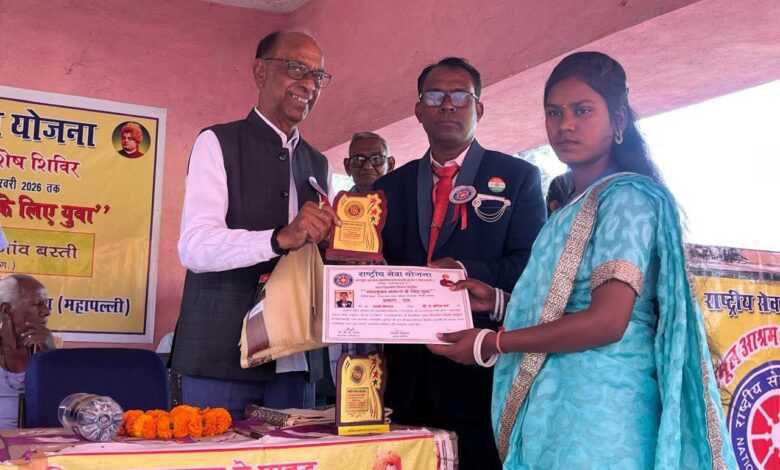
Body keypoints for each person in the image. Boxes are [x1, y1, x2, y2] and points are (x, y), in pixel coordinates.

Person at [429, 52, 737, 468]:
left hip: (603, 416)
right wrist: (500, 302)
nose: (565, 124)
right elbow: (567, 301)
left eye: (583, 110)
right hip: (558, 412)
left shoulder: (627, 198)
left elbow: (607, 321)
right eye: (554, 112)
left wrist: (493, 342)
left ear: (619, 119)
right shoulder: (572, 206)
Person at [373, 57, 546, 470]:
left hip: (480, 375)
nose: (447, 105)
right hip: (405, 383)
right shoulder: (388, 187)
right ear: (419, 110)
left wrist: (466, 270)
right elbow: (376, 267)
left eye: (460, 96)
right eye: (435, 96)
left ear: (478, 108)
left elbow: (532, 265)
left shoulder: (518, 177)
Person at [171, 30, 340, 420]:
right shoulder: (218, 142)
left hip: (296, 359)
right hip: (220, 354)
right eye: (296, 69)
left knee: (294, 452)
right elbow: (194, 247)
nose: (309, 84)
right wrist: (279, 238)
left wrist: (340, 249)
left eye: (318, 76)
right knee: (213, 453)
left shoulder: (318, 163)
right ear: (260, 72)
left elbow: (317, 257)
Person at [0, 274, 55, 428]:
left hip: (37, 437)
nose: (46, 311)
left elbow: (58, 398)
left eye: (45, 304)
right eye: (37, 304)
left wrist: (48, 353)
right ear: (7, 310)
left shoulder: (45, 343)